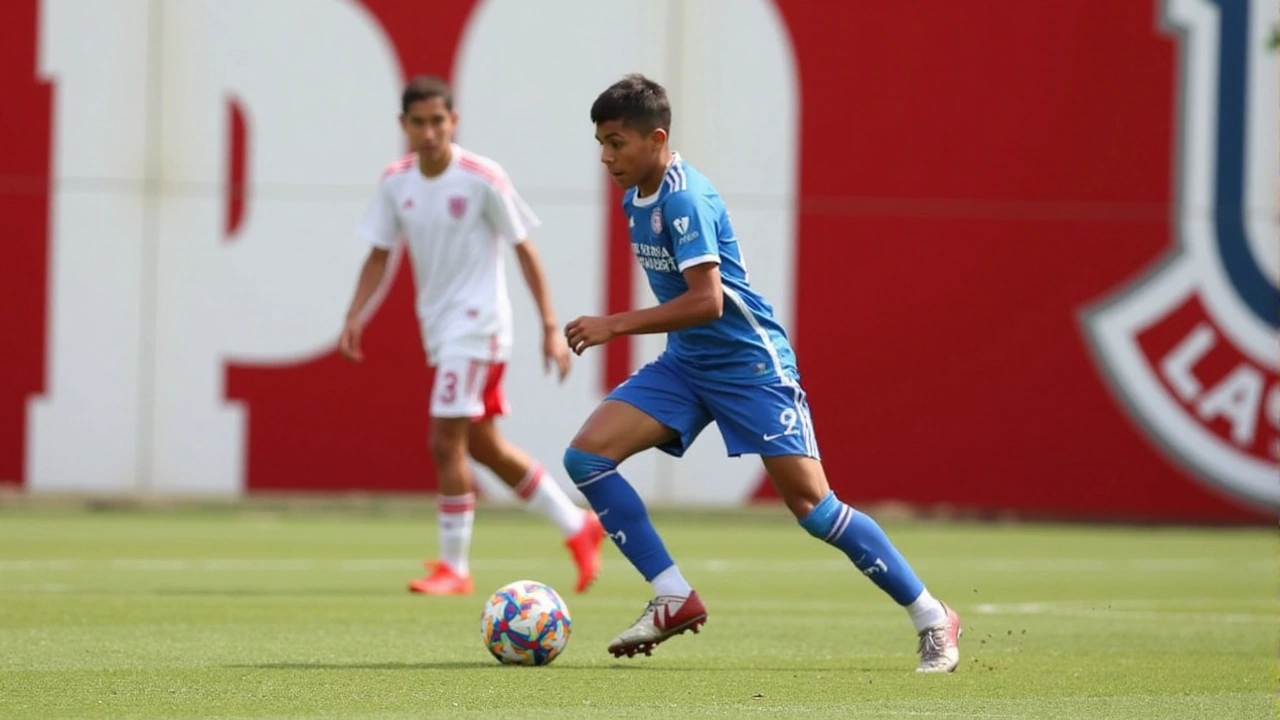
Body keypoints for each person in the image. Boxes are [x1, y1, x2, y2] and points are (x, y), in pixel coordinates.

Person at [560, 74, 962, 672]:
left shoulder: (684, 198)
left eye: (616, 142)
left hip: (750, 366)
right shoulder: (635, 195)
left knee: (815, 509)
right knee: (586, 458)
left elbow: (708, 302)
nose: (606, 156)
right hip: (688, 364)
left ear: (657, 138)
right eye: (601, 141)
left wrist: (614, 325)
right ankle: (673, 595)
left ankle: (933, 616)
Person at [340, 75, 604, 596]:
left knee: (443, 441)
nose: (430, 131)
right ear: (404, 126)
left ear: (453, 122)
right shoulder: (396, 181)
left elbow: (525, 249)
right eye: (419, 122)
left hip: (478, 326)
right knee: (481, 445)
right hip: (441, 330)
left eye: (438, 121)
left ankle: (454, 568)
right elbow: (379, 253)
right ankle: (579, 526)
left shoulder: (482, 177)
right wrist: (355, 315)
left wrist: (550, 327)